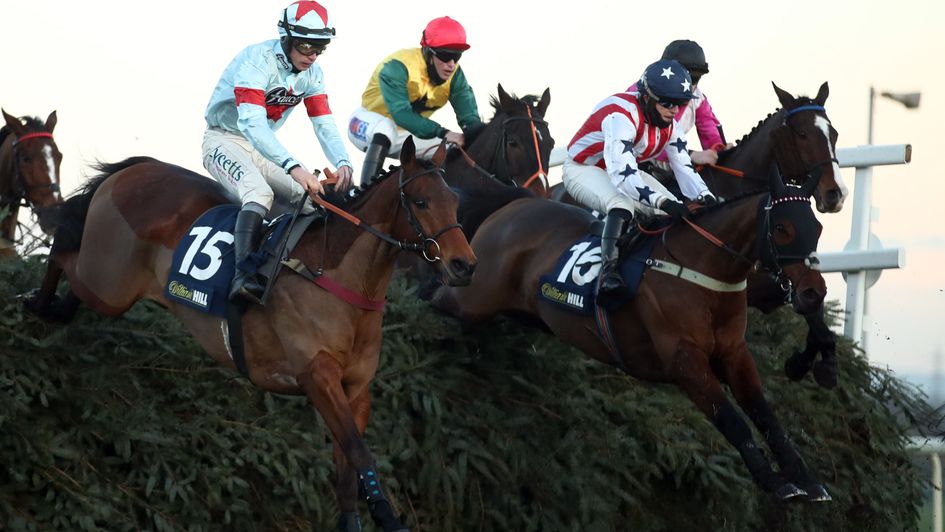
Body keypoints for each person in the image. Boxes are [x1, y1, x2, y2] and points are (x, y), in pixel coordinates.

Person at [202, 1, 353, 304]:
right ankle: (242, 277)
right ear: (286, 36)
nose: (312, 55)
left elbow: (324, 124)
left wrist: (344, 163)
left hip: (261, 147)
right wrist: (295, 168)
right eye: (306, 45)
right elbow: (253, 125)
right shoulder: (256, 61)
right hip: (223, 140)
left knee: (315, 201)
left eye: (320, 47)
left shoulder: (313, 74)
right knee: (259, 193)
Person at [563, 59, 716, 307]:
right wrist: (663, 202)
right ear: (646, 97)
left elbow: (684, 169)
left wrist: (706, 196)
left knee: (676, 208)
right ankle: (608, 275)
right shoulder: (621, 116)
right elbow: (622, 176)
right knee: (621, 204)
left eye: (679, 104)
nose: (673, 111)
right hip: (583, 168)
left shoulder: (671, 125)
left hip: (619, 168)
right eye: (666, 103)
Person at [347, 16, 484, 183]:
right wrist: (444, 132)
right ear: (428, 52)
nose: (451, 64)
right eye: (445, 55)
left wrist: (480, 136)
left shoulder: (455, 75)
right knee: (386, 128)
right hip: (365, 124)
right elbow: (401, 114)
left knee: (453, 149)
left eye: (457, 57)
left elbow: (469, 118)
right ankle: (363, 194)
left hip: (407, 135)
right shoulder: (397, 66)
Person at [630, 39, 733, 173]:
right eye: (685, 78)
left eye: (695, 79)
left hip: (667, 164)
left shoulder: (698, 100)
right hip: (631, 165)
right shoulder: (640, 95)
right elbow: (642, 144)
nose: (690, 86)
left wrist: (721, 152)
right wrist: (691, 155)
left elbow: (711, 136)